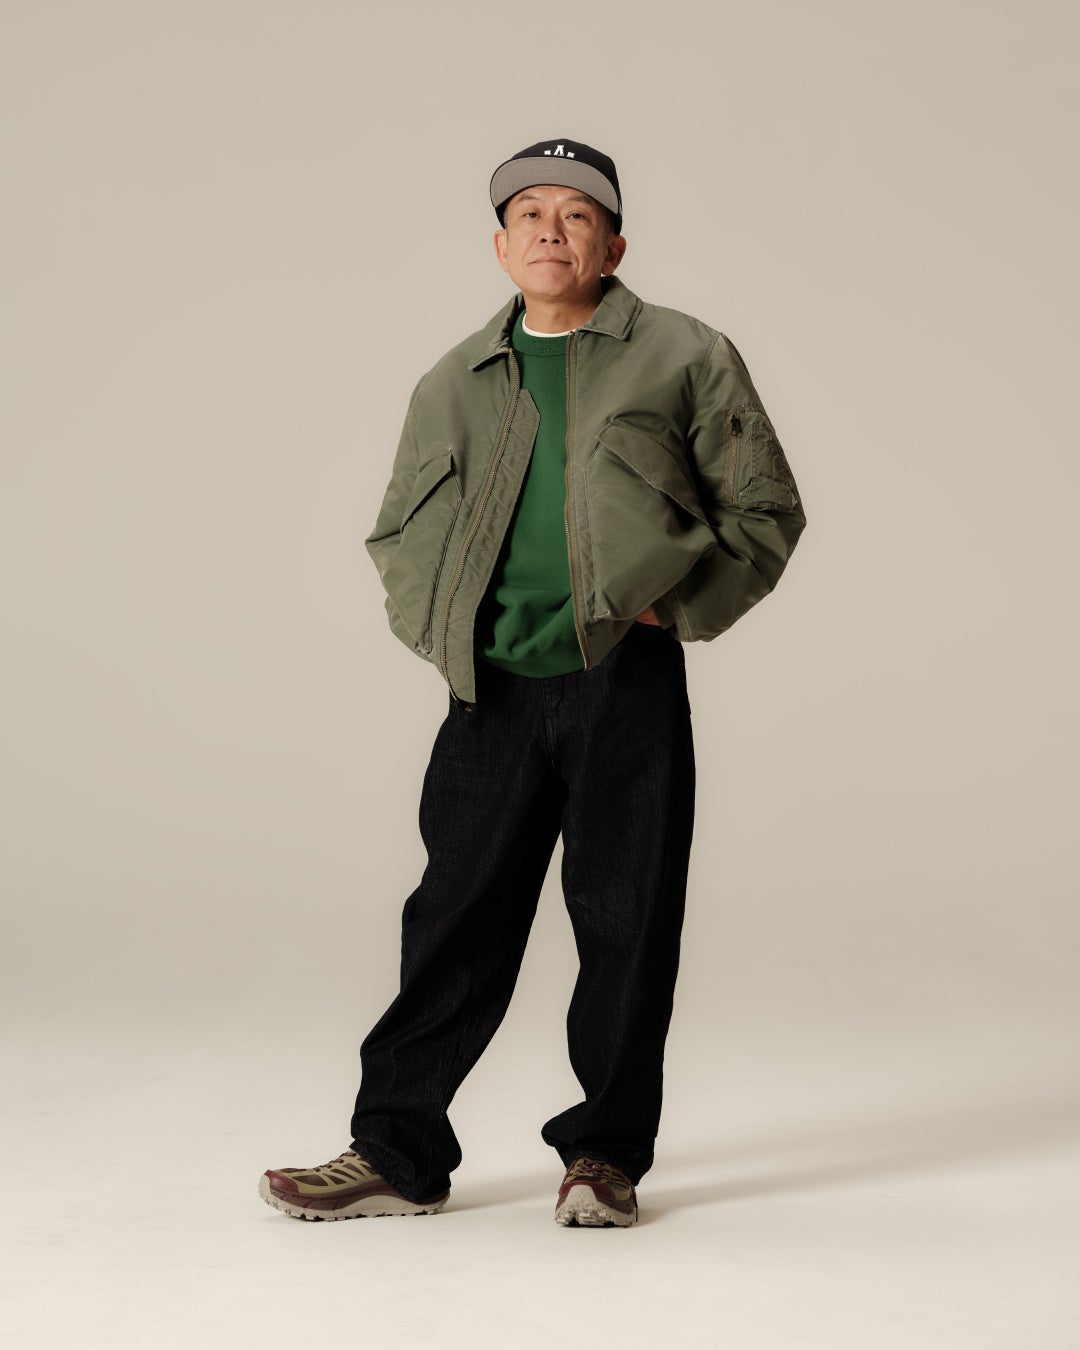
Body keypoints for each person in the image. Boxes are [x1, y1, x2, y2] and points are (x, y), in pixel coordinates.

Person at [259, 138, 806, 1228]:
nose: (552, 231)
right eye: (529, 215)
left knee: (627, 923)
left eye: (577, 215)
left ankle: (604, 1158)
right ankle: (397, 1153)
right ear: (502, 246)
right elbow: (398, 531)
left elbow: (764, 510)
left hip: (623, 681)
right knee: (452, 923)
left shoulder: (685, 354)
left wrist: (670, 611)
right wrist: (445, 634)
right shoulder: (455, 378)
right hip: (492, 693)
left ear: (614, 246)